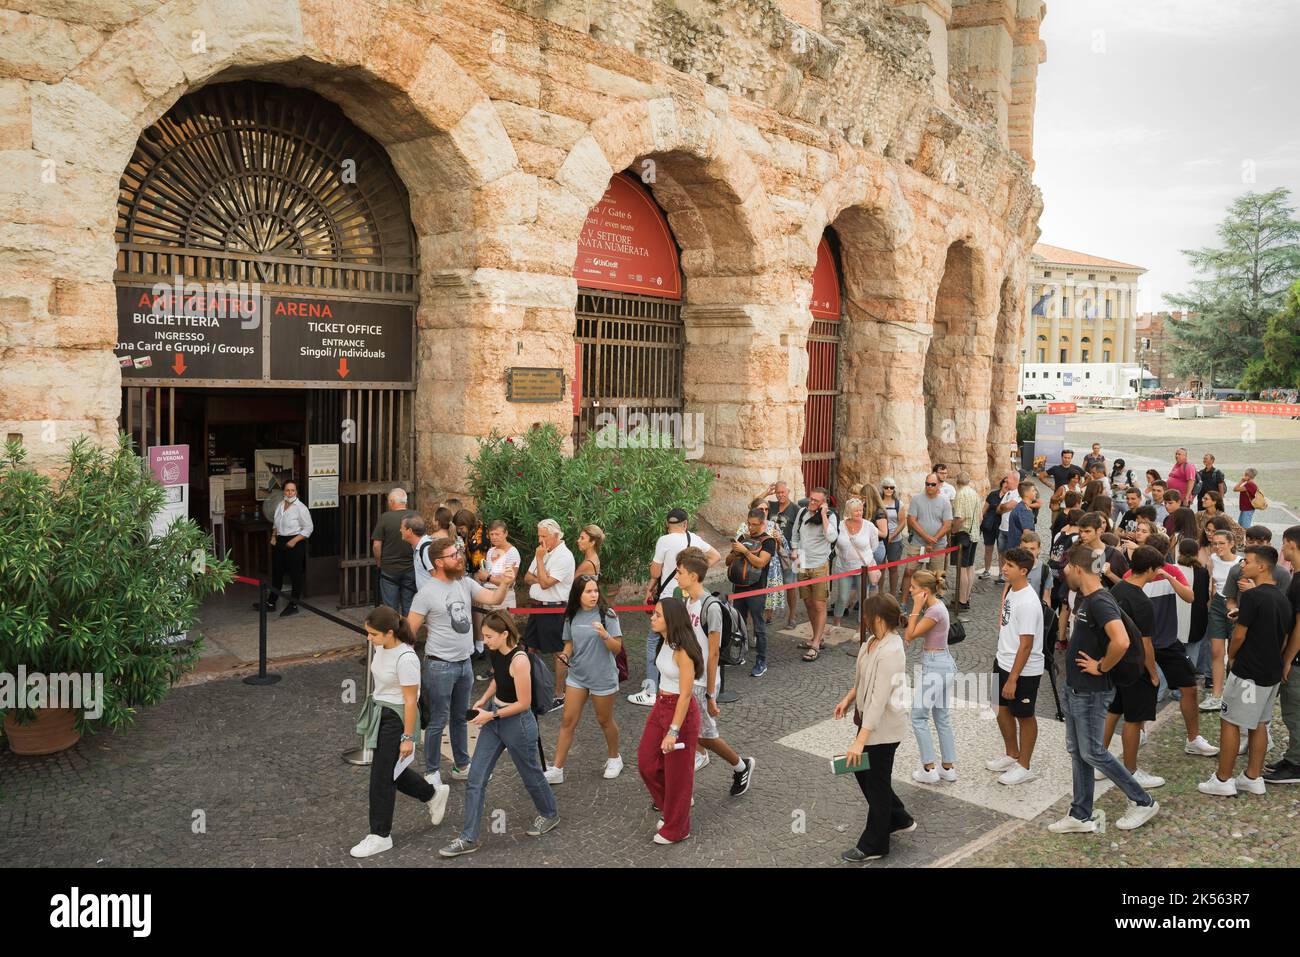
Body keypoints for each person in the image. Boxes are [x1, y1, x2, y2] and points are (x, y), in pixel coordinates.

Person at [1047, 544, 1159, 834]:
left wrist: (1102, 666)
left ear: (1078, 568)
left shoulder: (1099, 600)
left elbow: (1120, 641)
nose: (1063, 571)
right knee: (1079, 752)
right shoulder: (1087, 598)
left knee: (1094, 752)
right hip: (1076, 689)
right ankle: (1081, 814)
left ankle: (1143, 801)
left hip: (1091, 691)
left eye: (1066, 567)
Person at [438, 610, 559, 857]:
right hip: (495, 718)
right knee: (475, 779)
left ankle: (549, 814)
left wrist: (490, 716)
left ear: (505, 634)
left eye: (489, 636)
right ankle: (469, 837)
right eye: (483, 636)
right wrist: (483, 700)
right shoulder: (496, 652)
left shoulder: (520, 660)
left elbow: (524, 703)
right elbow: (498, 679)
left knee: (531, 775)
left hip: (518, 724)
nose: (485, 641)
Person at [407, 536, 516, 809]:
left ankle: (461, 765)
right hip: (439, 665)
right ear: (439, 562)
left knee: (459, 717)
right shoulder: (427, 593)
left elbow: (492, 599)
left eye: (458, 552)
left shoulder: (464, 583)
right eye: (453, 554)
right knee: (437, 720)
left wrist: (504, 582)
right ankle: (432, 771)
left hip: (465, 663)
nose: (459, 556)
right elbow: (409, 630)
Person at [1198, 545, 1291, 797]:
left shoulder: (1252, 596)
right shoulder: (1283, 598)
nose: (1242, 566)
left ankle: (1223, 779)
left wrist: (1233, 655)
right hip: (1271, 669)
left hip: (1250, 671)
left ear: (1262, 567)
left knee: (1230, 720)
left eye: (1247, 562)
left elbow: (1239, 634)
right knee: (1259, 723)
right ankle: (1252, 776)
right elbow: (1283, 635)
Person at [349, 606, 439, 858]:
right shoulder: (381, 646)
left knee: (381, 777)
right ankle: (431, 793)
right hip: (382, 712)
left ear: (390, 633)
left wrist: (407, 738)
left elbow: (411, 701)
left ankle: (380, 835)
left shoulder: (406, 658)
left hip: (397, 717)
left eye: (373, 634)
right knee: (389, 772)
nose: (369, 638)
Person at [834, 593, 914, 862]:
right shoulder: (871, 642)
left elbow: (879, 700)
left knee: (876, 782)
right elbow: (862, 679)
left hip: (884, 727)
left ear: (877, 618)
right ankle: (898, 816)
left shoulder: (891, 651)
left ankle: (875, 844)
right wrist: (848, 698)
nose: (864, 618)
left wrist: (860, 741)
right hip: (867, 721)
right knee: (863, 774)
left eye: (867, 614)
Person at [1126, 538, 1219, 757]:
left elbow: (1190, 597)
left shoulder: (1171, 570)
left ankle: (1193, 739)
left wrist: (1169, 577)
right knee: (1142, 692)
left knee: (1189, 687)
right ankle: (1139, 732)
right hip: (1142, 643)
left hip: (1168, 640)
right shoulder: (1132, 576)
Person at [677, 546, 757, 794]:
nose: (676, 576)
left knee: (707, 736)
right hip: (688, 679)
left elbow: (712, 654)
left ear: (693, 575)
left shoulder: (709, 607)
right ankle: (691, 766)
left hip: (702, 682)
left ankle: (741, 765)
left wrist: (711, 694)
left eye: (679, 572)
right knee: (688, 732)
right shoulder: (687, 601)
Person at [632, 508, 721, 705]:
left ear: (667, 525)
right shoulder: (694, 538)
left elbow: (655, 572)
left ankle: (650, 690)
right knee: (687, 637)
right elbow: (715, 556)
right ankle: (682, 681)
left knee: (655, 640)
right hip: (688, 596)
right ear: (685, 524)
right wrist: (696, 573)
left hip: (668, 598)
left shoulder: (664, 540)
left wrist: (649, 587)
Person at [636, 597, 704, 844]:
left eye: (657, 615)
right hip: (660, 706)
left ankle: (678, 827)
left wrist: (673, 731)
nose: (652, 618)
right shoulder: (664, 641)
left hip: (681, 713)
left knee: (678, 774)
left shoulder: (683, 651)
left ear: (671, 619)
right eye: (653, 614)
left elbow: (686, 694)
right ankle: (673, 807)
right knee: (646, 761)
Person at [1097, 546, 1165, 790]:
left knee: (1115, 710)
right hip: (1135, 665)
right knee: (1134, 720)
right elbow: (1146, 645)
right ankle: (1131, 770)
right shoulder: (1143, 602)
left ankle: (1101, 761)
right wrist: (1154, 673)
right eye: (1158, 569)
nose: (1159, 573)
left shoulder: (1117, 589)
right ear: (1149, 569)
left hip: (1115, 660)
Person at [545, 576, 623, 784]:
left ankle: (615, 758)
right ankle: (557, 768)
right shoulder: (572, 616)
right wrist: (565, 655)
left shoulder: (608, 615)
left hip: (602, 677)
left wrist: (605, 635)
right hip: (578, 676)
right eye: (588, 592)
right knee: (568, 721)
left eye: (595, 591)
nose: (593, 595)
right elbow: (569, 644)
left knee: (604, 720)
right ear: (578, 594)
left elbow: (617, 649)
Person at [987, 547, 1044, 785]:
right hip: (1003, 660)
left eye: (1009, 566)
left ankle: (1025, 765)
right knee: (999, 707)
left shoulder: (1029, 602)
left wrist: (1013, 678)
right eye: (1005, 564)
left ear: (1023, 571)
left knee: (1024, 715)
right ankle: (1012, 753)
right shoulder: (1011, 589)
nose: (1003, 568)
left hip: (1023, 669)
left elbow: (1027, 645)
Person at [904, 570, 956, 784]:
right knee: (942, 717)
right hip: (943, 664)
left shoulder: (933, 611)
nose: (909, 590)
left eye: (913, 588)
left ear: (924, 592)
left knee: (918, 716)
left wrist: (916, 607)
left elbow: (909, 635)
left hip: (935, 668)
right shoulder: (937, 607)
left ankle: (929, 769)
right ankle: (948, 768)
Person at [523, 519, 577, 710]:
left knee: (558, 652)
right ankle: (527, 691)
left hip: (554, 609)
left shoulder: (564, 556)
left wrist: (539, 561)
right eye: (539, 535)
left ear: (555, 535)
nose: (540, 540)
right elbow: (527, 577)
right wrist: (542, 576)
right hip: (537, 607)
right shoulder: (543, 550)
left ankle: (559, 694)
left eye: (544, 536)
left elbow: (545, 584)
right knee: (529, 647)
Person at [1264, 526, 1300, 784]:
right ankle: (1293, 756)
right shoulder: (1295, 575)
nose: (1282, 548)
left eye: (1284, 543)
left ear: (1291, 544)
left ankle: (1297, 763)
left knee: (1294, 711)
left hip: (1297, 659)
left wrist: (1287, 659)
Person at [792, 487, 840, 660]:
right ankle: (815, 636)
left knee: (819, 604)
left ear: (824, 503)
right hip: (802, 562)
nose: (811, 502)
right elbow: (795, 533)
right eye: (810, 499)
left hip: (820, 564)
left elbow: (832, 537)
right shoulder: (803, 512)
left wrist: (824, 515)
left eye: (816, 501)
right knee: (808, 602)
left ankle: (816, 643)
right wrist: (794, 549)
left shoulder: (830, 516)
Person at [729, 509, 777, 677]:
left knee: (759, 626)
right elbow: (728, 561)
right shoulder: (743, 538)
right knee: (738, 624)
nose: (751, 527)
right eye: (749, 523)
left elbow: (761, 563)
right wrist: (735, 552)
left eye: (755, 525)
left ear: (762, 523)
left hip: (756, 589)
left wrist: (745, 552)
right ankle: (739, 654)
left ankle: (761, 661)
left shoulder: (769, 541)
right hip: (739, 588)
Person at [1199, 528, 1241, 712]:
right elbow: (1213, 582)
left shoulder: (1241, 563)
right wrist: (1211, 602)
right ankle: (1217, 694)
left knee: (1234, 653)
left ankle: (1233, 695)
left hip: (1236, 606)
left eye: (1221, 543)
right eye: (1214, 543)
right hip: (1217, 604)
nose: (1217, 547)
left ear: (1232, 544)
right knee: (1216, 651)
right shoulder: (1213, 559)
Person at [901, 474, 953, 605]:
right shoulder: (917, 499)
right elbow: (912, 520)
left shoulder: (944, 501)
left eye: (932, 484)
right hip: (918, 543)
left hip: (938, 545)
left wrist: (933, 540)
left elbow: (947, 524)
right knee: (909, 571)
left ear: (938, 485)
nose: (929, 487)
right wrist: (927, 537)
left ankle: (933, 604)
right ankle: (904, 602)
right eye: (927, 484)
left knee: (937, 576)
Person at [265, 479, 312, 617]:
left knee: (295, 574)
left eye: (292, 490)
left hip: (295, 542)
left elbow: (309, 528)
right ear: (283, 491)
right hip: (280, 541)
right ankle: (271, 602)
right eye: (287, 490)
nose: (290, 493)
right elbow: (276, 522)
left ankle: (293, 604)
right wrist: (274, 536)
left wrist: (294, 540)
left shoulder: (301, 508)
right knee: (277, 572)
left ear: (296, 492)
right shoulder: (280, 505)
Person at [832, 498, 879, 629]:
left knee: (864, 597)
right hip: (844, 567)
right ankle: (836, 623)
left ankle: (861, 627)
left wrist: (865, 557)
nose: (859, 513)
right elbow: (835, 542)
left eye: (861, 510)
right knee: (842, 596)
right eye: (856, 511)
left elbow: (874, 546)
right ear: (849, 512)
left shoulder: (869, 526)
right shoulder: (840, 525)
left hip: (862, 568)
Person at [743, 496, 787, 624]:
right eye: (761, 509)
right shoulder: (747, 526)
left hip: (772, 568)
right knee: (752, 601)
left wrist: (779, 540)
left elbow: (785, 549)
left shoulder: (774, 525)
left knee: (769, 600)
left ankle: (765, 623)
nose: (764, 511)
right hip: (751, 567)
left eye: (766, 509)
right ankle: (752, 626)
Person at [371, 487, 415, 615]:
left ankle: (393, 632)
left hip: (389, 568)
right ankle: (409, 632)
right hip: (410, 566)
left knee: (390, 606)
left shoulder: (385, 517)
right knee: (409, 604)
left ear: (391, 501)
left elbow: (376, 545)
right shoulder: (415, 515)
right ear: (405, 502)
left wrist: (379, 563)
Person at [764, 481, 800, 628]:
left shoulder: (796, 509)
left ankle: (792, 616)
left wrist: (797, 551)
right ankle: (768, 615)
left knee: (791, 585)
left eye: (782, 492)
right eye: (778, 492)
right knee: (770, 583)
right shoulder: (771, 506)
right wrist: (766, 492)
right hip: (771, 552)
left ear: (788, 491)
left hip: (790, 553)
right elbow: (752, 505)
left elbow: (801, 531)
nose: (780, 495)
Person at [1178, 538, 1212, 686]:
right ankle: (1187, 683)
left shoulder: (1174, 569)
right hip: (1198, 616)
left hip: (1178, 616)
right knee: (1192, 653)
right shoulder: (1202, 571)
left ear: (1180, 551)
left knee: (1177, 653)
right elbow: (1205, 596)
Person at [474, 520, 521, 612]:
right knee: (487, 625)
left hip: (504, 596)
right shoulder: (491, 551)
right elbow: (487, 573)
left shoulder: (512, 552)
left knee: (503, 625)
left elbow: (509, 582)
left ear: (505, 534)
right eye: (492, 534)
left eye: (497, 534)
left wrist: (487, 578)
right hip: (488, 594)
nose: (494, 537)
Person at [951, 472, 981, 610]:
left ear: (957, 481)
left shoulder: (960, 494)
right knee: (970, 566)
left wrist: (953, 531)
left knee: (962, 568)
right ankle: (967, 596)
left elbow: (959, 518)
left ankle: (962, 600)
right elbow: (980, 517)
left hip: (964, 534)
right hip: (974, 534)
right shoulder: (975, 493)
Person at [881, 478, 909, 597]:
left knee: (893, 568)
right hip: (880, 538)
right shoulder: (878, 502)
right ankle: (879, 594)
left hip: (894, 539)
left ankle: (892, 594)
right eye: (886, 487)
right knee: (880, 568)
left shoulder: (899, 504)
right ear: (882, 488)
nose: (889, 489)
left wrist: (892, 535)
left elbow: (902, 522)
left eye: (891, 487)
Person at [978, 476, 1006, 580]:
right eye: (1005, 482)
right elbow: (985, 508)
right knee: (988, 549)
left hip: (1002, 527)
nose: (1006, 484)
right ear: (1002, 483)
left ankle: (1001, 573)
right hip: (989, 525)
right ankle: (986, 570)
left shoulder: (1010, 496)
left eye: (1008, 482)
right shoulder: (993, 494)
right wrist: (980, 522)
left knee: (1001, 551)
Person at [401, 514, 434, 593]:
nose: (400, 530)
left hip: (432, 600)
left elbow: (437, 576)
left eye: (402, 528)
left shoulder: (426, 549)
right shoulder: (419, 547)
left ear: (410, 531)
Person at [1005, 481, 1038, 549]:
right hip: (1020, 551)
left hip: (1013, 547)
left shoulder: (1019, 505)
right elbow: (1027, 535)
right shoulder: (1025, 511)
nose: (1036, 492)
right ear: (1026, 493)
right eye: (1033, 490)